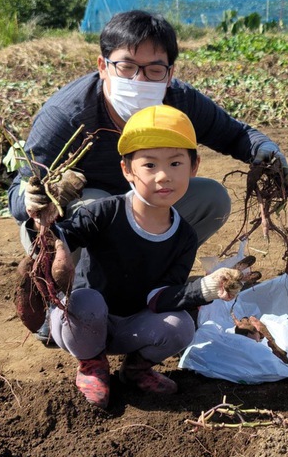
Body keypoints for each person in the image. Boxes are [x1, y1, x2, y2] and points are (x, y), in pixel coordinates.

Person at [9, 9, 288, 341]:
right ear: (103, 66)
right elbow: (19, 195)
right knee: (95, 203)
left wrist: (267, 152)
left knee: (211, 199)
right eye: (127, 67)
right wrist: (33, 196)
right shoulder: (67, 115)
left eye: (154, 69)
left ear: (169, 73)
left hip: (140, 210)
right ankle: (70, 304)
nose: (140, 81)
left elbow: (235, 134)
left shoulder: (177, 102)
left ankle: (152, 282)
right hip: (81, 223)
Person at [22, 105, 248, 408]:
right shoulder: (104, 211)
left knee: (181, 325)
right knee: (87, 302)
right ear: (127, 170)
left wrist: (206, 288)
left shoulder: (184, 237)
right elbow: (63, 238)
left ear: (194, 167)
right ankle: (92, 365)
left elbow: (161, 296)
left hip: (133, 328)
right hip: (82, 324)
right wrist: (44, 220)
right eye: (150, 165)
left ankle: (136, 368)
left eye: (176, 163)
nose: (164, 176)